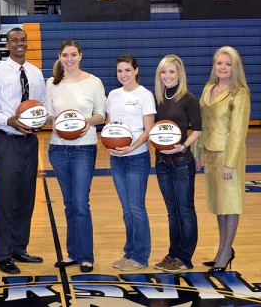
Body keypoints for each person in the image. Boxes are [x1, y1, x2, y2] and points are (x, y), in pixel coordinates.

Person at [0, 27, 45, 274]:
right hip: (7, 140)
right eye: (14, 40)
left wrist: (39, 122)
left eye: (23, 40)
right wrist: (8, 120)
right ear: (7, 44)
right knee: (7, 198)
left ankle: (19, 247)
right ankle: (3, 254)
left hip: (31, 141)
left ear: (27, 43)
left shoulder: (36, 73)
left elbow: (40, 106)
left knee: (26, 197)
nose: (20, 43)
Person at [45, 40, 106, 273]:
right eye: (64, 55)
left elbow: (101, 114)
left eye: (73, 55)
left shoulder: (93, 82)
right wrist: (56, 123)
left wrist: (85, 122)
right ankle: (72, 253)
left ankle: (86, 256)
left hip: (84, 147)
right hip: (58, 148)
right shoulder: (51, 83)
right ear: (59, 57)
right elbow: (48, 116)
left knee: (81, 203)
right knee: (69, 204)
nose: (69, 59)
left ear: (80, 56)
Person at [194, 46, 251, 273]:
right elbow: (202, 123)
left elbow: (239, 132)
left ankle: (226, 252)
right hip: (210, 153)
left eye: (228, 64)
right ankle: (222, 250)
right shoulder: (209, 88)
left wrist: (230, 163)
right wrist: (198, 152)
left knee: (230, 205)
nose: (223, 67)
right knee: (219, 205)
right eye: (219, 63)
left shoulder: (240, 93)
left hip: (229, 156)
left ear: (235, 67)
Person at [152, 55, 202, 273]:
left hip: (181, 161)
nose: (167, 76)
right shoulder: (156, 99)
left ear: (179, 74)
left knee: (185, 210)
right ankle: (173, 254)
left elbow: (198, 130)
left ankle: (185, 257)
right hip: (161, 162)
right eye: (164, 72)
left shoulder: (188, 99)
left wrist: (183, 146)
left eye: (171, 72)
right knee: (172, 211)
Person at [107, 54, 156, 271]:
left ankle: (141, 257)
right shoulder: (113, 95)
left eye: (127, 70)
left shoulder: (145, 95)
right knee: (126, 209)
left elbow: (148, 130)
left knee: (137, 208)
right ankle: (129, 253)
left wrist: (132, 147)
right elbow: (110, 126)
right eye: (120, 71)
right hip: (116, 158)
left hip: (137, 157)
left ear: (136, 70)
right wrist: (108, 144)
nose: (123, 74)